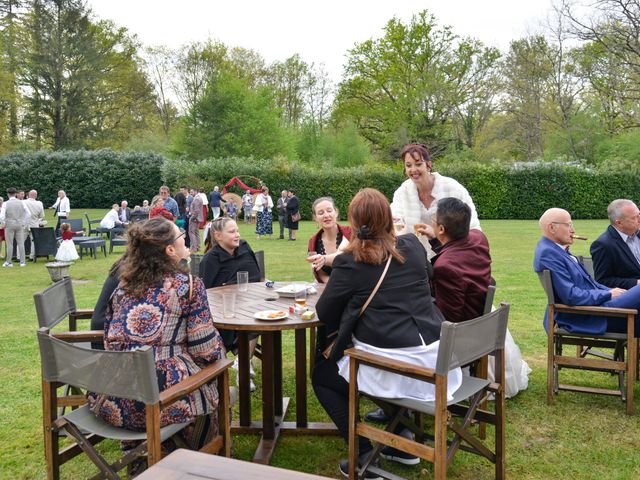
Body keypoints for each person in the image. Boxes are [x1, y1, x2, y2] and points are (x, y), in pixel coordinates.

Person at [312, 188, 460, 477]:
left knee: (323, 377)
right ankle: (402, 440)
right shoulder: (413, 247)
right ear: (388, 218)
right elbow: (426, 277)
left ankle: (364, 455)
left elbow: (324, 312)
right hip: (439, 361)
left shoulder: (350, 261)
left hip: (402, 368)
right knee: (372, 362)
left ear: (353, 223)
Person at [87, 217, 226, 457]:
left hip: (112, 397)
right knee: (215, 373)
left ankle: (145, 454)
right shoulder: (188, 285)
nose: (186, 238)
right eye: (181, 234)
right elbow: (206, 349)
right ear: (170, 249)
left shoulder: (123, 285)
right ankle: (198, 455)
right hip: (159, 401)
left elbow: (109, 337)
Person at [534, 207, 640, 336]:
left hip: (596, 309)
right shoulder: (549, 253)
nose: (573, 230)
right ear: (551, 228)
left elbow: (591, 283)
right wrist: (608, 294)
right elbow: (570, 296)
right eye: (568, 225)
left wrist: (611, 291)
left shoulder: (556, 250)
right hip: (590, 315)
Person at [200, 217, 261, 390]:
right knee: (253, 326)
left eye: (237, 231)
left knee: (262, 320)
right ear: (218, 236)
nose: (237, 235)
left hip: (250, 303)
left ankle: (243, 363)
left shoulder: (244, 247)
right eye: (232, 232)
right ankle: (243, 366)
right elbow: (205, 294)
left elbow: (256, 276)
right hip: (223, 313)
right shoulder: (210, 260)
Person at [391, 143, 480, 258]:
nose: (413, 170)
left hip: (452, 258)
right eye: (408, 165)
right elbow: (395, 223)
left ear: (428, 165)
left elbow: (473, 227)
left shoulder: (452, 188)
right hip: (418, 260)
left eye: (418, 164)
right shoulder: (402, 193)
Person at [590, 199, 640, 289]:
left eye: (639, 214)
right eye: (634, 218)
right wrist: (636, 283)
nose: (639, 219)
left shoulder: (638, 234)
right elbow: (603, 281)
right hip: (631, 295)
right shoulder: (603, 245)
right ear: (619, 223)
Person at [306, 197, 351, 284]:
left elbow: (342, 256)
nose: (326, 215)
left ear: (336, 212)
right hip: (329, 288)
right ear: (315, 218)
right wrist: (335, 287)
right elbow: (321, 274)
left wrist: (323, 259)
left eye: (329, 211)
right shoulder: (313, 242)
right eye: (321, 213)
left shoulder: (350, 233)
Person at [1, 187, 29, 267]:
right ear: (16, 193)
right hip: (19, 224)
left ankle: (9, 262)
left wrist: (3, 223)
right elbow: (28, 213)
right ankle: (22, 262)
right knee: (21, 243)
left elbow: (2, 216)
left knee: (9, 244)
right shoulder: (22, 202)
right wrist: (24, 222)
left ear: (8, 194)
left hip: (9, 224)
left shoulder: (5, 203)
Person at [24, 190, 45, 261]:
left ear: (28, 195)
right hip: (34, 224)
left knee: (20, 241)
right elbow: (42, 215)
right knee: (33, 241)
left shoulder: (23, 202)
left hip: (24, 224)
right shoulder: (39, 203)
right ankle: (31, 256)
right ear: (36, 196)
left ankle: (19, 257)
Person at [188, 188, 204, 252]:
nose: (191, 193)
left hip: (195, 218)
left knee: (191, 232)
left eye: (192, 192)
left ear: (196, 191)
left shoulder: (197, 199)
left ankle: (194, 248)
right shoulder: (198, 198)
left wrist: (192, 218)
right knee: (196, 232)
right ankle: (198, 247)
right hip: (197, 218)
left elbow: (196, 210)